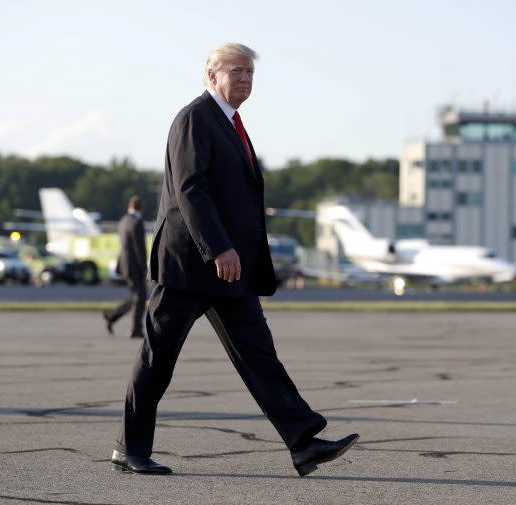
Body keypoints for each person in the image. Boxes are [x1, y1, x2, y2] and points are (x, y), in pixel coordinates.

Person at [110, 42, 358, 477]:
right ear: (211, 76)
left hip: (230, 271)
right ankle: (129, 449)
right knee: (158, 358)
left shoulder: (232, 124)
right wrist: (218, 247)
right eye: (235, 71)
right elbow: (190, 190)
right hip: (190, 265)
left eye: (249, 72)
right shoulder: (195, 119)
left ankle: (303, 443)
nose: (244, 79)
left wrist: (235, 253)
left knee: (259, 355)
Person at [103, 196, 147, 338]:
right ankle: (136, 329)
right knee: (140, 297)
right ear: (141, 208)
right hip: (135, 266)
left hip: (125, 265)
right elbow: (139, 248)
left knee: (135, 296)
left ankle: (112, 317)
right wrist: (144, 267)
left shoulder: (123, 221)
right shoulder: (137, 222)